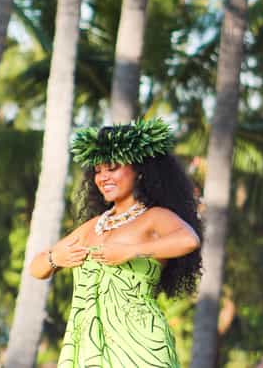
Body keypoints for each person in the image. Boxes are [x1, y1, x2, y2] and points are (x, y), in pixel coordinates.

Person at [29, 118, 202, 367]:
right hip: (88, 347)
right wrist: (55, 258)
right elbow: (36, 268)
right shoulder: (92, 226)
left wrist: (131, 251)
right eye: (98, 171)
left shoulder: (153, 217)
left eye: (112, 168)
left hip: (141, 347)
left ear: (139, 171)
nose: (103, 177)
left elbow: (188, 239)